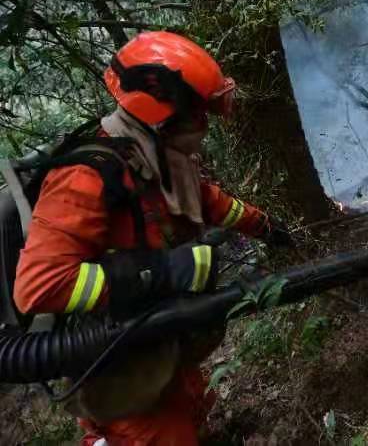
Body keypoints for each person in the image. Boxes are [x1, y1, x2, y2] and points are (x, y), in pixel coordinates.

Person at [13, 31, 290, 445]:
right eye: (198, 114)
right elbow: (38, 286)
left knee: (195, 411)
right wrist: (159, 272)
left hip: (162, 347)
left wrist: (266, 227)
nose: (203, 126)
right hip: (123, 371)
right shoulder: (85, 176)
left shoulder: (155, 159)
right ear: (162, 116)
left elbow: (211, 202)